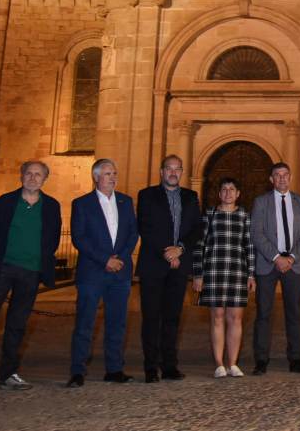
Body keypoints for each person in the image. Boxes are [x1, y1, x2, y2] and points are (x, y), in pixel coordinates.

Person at [0, 160, 62, 395]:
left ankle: (8, 373)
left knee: (17, 325)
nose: (32, 178)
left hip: (30, 271)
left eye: (38, 174)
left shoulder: (51, 205)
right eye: (28, 173)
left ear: (44, 179)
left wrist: (42, 262)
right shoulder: (6, 202)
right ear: (21, 176)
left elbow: (53, 237)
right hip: (3, 268)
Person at [68, 158, 139, 387]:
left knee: (117, 323)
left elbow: (132, 233)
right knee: (85, 322)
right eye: (108, 173)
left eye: (114, 173)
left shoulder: (126, 201)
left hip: (120, 272)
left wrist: (121, 258)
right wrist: (104, 259)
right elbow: (79, 238)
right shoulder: (82, 203)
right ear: (96, 176)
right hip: (92, 272)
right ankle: (78, 370)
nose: (112, 177)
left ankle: (114, 369)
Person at [136, 154, 202, 382]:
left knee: (173, 318)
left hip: (179, 265)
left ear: (182, 172)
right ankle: (151, 367)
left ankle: (170, 365)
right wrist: (167, 252)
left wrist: (180, 249)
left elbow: (197, 228)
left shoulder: (191, 196)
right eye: (169, 168)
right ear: (161, 171)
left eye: (178, 169)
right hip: (153, 264)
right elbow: (145, 227)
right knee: (151, 317)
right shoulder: (147, 195)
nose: (173, 173)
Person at [250, 162, 300, 374]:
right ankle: (261, 360)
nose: (282, 179)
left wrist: (292, 257)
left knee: (294, 313)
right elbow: (256, 234)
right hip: (268, 264)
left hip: (294, 265)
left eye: (285, 175)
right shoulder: (261, 202)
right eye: (277, 175)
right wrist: (277, 257)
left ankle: (295, 359)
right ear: (271, 179)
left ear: (290, 177)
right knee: (263, 314)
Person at [192, 176, 256, 378]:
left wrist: (251, 274)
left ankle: (233, 363)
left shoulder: (245, 215)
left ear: (238, 194)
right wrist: (198, 274)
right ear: (219, 194)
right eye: (224, 189)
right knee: (217, 317)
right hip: (213, 271)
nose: (228, 193)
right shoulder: (210, 214)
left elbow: (249, 246)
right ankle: (219, 364)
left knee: (235, 318)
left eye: (232, 189)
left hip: (237, 271)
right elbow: (199, 245)